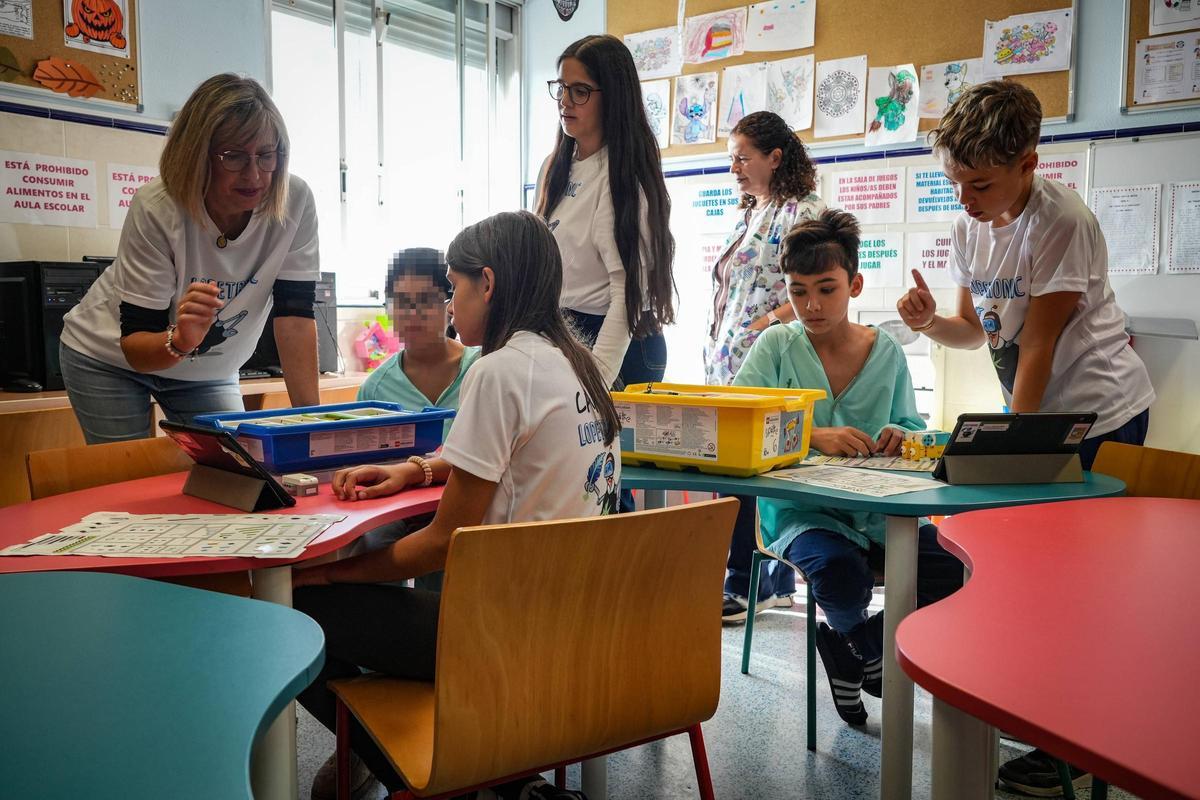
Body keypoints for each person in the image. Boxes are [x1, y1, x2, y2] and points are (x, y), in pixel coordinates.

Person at [292, 211, 621, 800]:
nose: (450, 302)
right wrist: (415, 469)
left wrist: (333, 573)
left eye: (453, 285)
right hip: (579, 619)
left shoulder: (497, 371)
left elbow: (444, 541)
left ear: (486, 284)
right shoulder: (579, 364)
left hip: (499, 632)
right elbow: (512, 451)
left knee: (297, 614)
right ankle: (510, 782)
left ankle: (445, 782)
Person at [896, 79, 1155, 796]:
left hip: (1103, 418)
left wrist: (1011, 456)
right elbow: (975, 330)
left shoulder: (1061, 221)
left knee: (1077, 588)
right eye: (955, 183)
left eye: (980, 183)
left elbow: (1035, 349)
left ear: (1029, 164)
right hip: (1040, 418)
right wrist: (924, 324)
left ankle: (1074, 746)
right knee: (1033, 578)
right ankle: (1048, 722)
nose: (966, 199)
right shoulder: (968, 225)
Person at [735, 209, 962, 725]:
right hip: (801, 512)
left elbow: (911, 423)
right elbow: (740, 423)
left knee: (951, 570)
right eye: (797, 292)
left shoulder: (886, 352)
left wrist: (903, 434)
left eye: (826, 289)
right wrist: (812, 434)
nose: (811, 305)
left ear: (855, 285)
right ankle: (868, 652)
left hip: (882, 511)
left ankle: (851, 649)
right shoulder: (775, 345)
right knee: (839, 573)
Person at [59, 73, 320, 442]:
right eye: (233, 157)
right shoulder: (158, 207)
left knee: (235, 469)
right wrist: (181, 340)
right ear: (197, 154)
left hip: (207, 371)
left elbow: (294, 316)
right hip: (109, 359)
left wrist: (313, 423)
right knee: (130, 481)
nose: (255, 174)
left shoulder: (295, 201)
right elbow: (136, 343)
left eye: (266, 155)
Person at [707, 111, 826, 623]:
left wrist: (765, 326)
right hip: (728, 363)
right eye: (731, 157)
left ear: (775, 158)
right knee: (736, 474)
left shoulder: (803, 211)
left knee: (755, 477)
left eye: (743, 157)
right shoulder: (752, 210)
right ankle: (758, 581)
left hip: (770, 359)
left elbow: (814, 282)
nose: (734, 167)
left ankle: (754, 582)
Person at [537, 34, 675, 389]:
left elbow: (627, 293)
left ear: (613, 97)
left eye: (580, 91)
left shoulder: (622, 177)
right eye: (562, 88)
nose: (565, 101)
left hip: (616, 340)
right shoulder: (555, 167)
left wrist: (596, 377)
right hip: (566, 331)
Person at [349, 247, 482, 591]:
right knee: (368, 552)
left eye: (426, 299)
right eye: (401, 302)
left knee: (451, 572)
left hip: (466, 506)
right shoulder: (375, 389)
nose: (413, 313)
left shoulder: (483, 367)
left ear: (449, 304)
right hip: (399, 507)